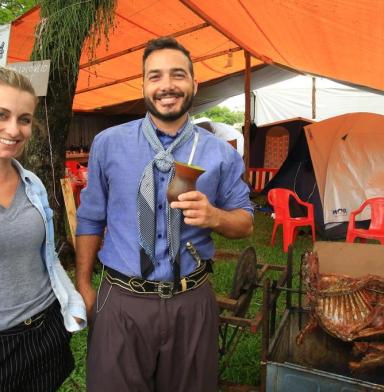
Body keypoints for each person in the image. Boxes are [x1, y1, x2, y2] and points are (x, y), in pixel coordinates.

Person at [76, 36, 253, 392]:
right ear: (143, 85)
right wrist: (83, 285)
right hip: (121, 300)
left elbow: (246, 222)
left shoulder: (221, 154)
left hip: (191, 302)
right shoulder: (108, 143)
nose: (167, 86)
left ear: (193, 83)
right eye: (155, 76)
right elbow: (91, 217)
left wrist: (215, 217)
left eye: (177, 75)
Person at [0, 67, 87, 392]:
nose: (14, 129)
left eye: (23, 119)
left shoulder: (32, 183)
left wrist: (71, 303)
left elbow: (47, 256)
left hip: (45, 328)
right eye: (2, 114)